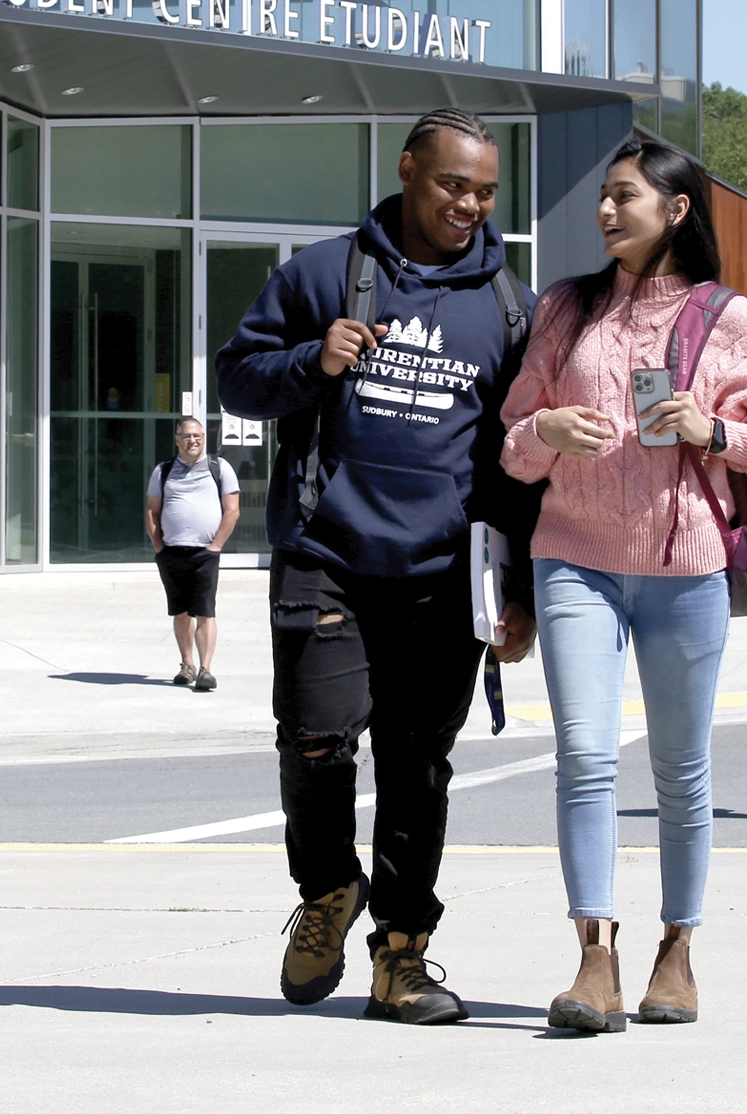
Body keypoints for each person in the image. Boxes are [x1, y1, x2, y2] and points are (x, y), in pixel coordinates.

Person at [215, 107, 540, 1026]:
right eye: (452, 184)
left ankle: (402, 957)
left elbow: (516, 463)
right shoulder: (324, 273)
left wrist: (517, 589)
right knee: (315, 741)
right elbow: (238, 377)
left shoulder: (511, 309)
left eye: (485, 192)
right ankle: (328, 888)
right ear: (407, 170)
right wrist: (311, 361)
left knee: (417, 766)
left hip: (444, 573)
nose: (469, 205)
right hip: (326, 556)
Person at [499, 138, 747, 1034]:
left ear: (675, 210)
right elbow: (513, 444)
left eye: (623, 196)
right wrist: (547, 430)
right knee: (585, 756)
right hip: (574, 559)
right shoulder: (565, 308)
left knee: (680, 769)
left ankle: (677, 950)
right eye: (601, 195)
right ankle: (594, 956)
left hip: (687, 571)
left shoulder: (731, 320)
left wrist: (716, 432)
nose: (604, 211)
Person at [146, 416, 241, 691]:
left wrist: (216, 546)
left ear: (204, 438)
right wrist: (159, 547)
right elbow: (152, 511)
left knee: (205, 613)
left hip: (205, 553)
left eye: (197, 436)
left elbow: (232, 511)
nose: (192, 441)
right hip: (172, 552)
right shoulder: (163, 470)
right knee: (180, 612)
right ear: (177, 440)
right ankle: (186, 664)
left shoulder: (219, 467)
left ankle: (205, 670)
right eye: (187, 436)